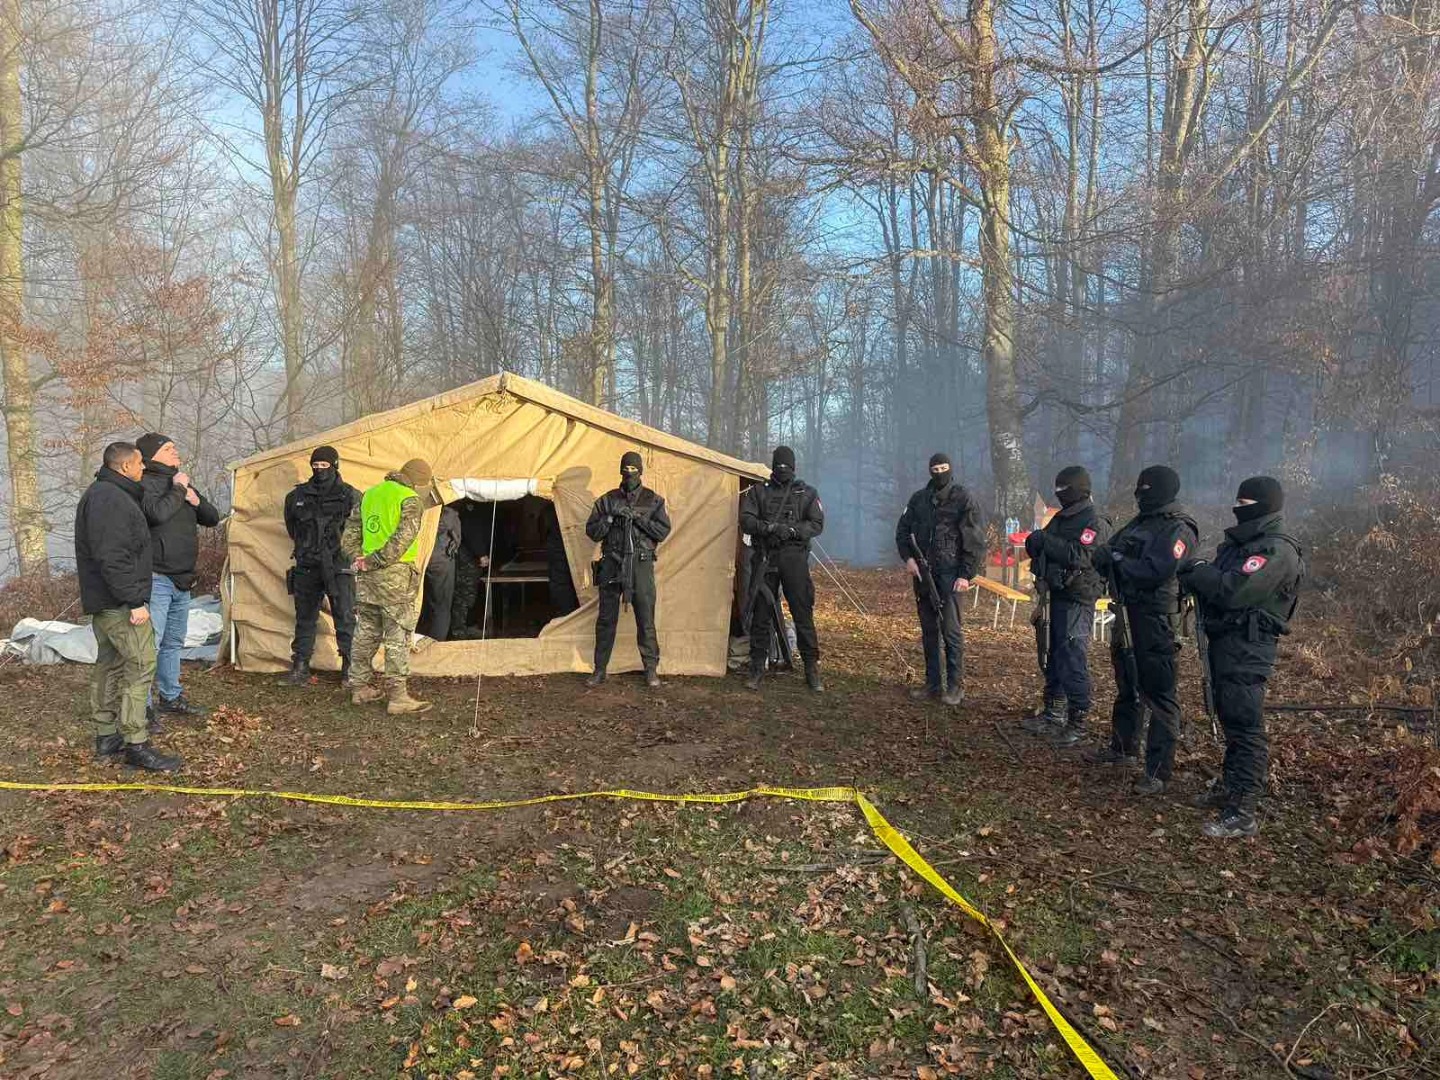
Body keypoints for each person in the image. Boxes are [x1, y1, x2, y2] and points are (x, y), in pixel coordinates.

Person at [1178, 476, 1303, 838]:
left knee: (1244, 721)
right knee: (1229, 715)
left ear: (1264, 506)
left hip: (1249, 645)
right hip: (1227, 641)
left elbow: (1233, 589)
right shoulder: (1241, 543)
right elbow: (1218, 580)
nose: (1238, 508)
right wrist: (1200, 574)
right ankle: (1231, 787)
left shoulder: (1275, 550)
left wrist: (1200, 573)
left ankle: (1244, 808)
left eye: (1246, 503)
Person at [1087, 466, 1199, 793]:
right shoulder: (1140, 523)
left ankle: (1158, 770)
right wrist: (1117, 558)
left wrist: (1118, 560)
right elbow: (1103, 555)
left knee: (1159, 692)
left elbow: (1156, 569)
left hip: (1157, 618)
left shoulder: (1179, 528)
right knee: (1128, 682)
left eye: (1147, 489)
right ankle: (1123, 747)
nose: (1140, 495)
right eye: (1139, 489)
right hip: (1127, 612)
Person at [75, 442, 180, 772]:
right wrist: (134, 601)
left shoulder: (104, 493)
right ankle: (137, 743)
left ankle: (106, 737)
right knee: (141, 666)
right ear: (123, 467)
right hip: (120, 603)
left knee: (110, 666)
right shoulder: (110, 498)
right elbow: (113, 556)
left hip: (106, 602)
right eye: (138, 464)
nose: (143, 469)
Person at [137, 433, 220, 720]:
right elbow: (156, 515)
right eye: (169, 449)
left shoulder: (181, 483)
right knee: (151, 644)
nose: (176, 452)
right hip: (156, 576)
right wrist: (178, 489)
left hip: (183, 578)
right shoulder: (144, 484)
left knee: (174, 642)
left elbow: (212, 518)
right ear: (152, 455)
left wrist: (195, 500)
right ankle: (142, 705)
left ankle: (170, 697)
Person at [1022, 466, 1110, 734]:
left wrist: (1045, 541)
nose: (1060, 494)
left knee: (1072, 655)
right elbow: (1039, 545)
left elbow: (1081, 555)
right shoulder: (1063, 517)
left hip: (1077, 598)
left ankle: (1078, 720)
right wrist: (1037, 543)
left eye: (1064, 489)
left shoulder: (1094, 520)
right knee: (1053, 654)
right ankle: (1053, 712)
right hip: (1054, 594)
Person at [343, 458, 434, 715]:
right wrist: (376, 561)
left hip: (366, 578)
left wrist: (359, 559)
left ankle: (359, 688)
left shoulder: (369, 495)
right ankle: (398, 696)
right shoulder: (409, 499)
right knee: (398, 634)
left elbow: (350, 532)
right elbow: (403, 539)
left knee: (366, 632)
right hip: (393, 577)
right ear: (418, 482)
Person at [895, 453, 985, 706]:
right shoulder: (919, 499)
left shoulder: (963, 498)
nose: (939, 472)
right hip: (923, 574)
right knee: (929, 630)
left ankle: (955, 686)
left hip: (951, 574)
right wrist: (908, 559)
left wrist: (966, 574)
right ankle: (933, 684)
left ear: (950, 469)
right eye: (935, 468)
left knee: (951, 631)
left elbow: (974, 540)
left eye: (943, 468)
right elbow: (902, 531)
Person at [740, 446, 825, 692]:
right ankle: (757, 667)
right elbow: (746, 520)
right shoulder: (759, 492)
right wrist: (768, 528)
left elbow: (817, 522)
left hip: (795, 559)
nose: (782, 470)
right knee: (761, 615)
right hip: (766, 558)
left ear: (794, 467)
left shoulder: (806, 493)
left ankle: (811, 668)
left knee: (802, 614)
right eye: (779, 466)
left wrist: (793, 531)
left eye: (786, 466)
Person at [584, 451, 672, 687]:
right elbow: (592, 531)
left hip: (640, 564)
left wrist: (638, 519)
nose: (629, 474)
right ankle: (600, 669)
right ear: (620, 471)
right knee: (606, 619)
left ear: (641, 471)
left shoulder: (653, 500)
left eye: (633, 470)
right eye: (626, 469)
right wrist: (612, 517)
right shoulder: (607, 500)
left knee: (646, 618)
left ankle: (651, 670)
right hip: (612, 563)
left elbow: (663, 532)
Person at [281, 445, 360, 684]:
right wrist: (309, 549)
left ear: (334, 466)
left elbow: (359, 529)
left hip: (339, 566)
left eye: (324, 466)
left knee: (345, 617)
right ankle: (300, 666)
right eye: (315, 466)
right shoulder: (297, 497)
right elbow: (292, 528)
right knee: (305, 617)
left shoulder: (351, 495)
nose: (319, 470)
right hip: (307, 564)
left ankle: (350, 669)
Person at [417, 503, 461, 641]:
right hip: (441, 560)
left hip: (416, 558)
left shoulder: (414, 509)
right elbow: (456, 539)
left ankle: (419, 638)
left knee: (421, 601)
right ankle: (437, 641)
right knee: (442, 604)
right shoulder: (448, 514)